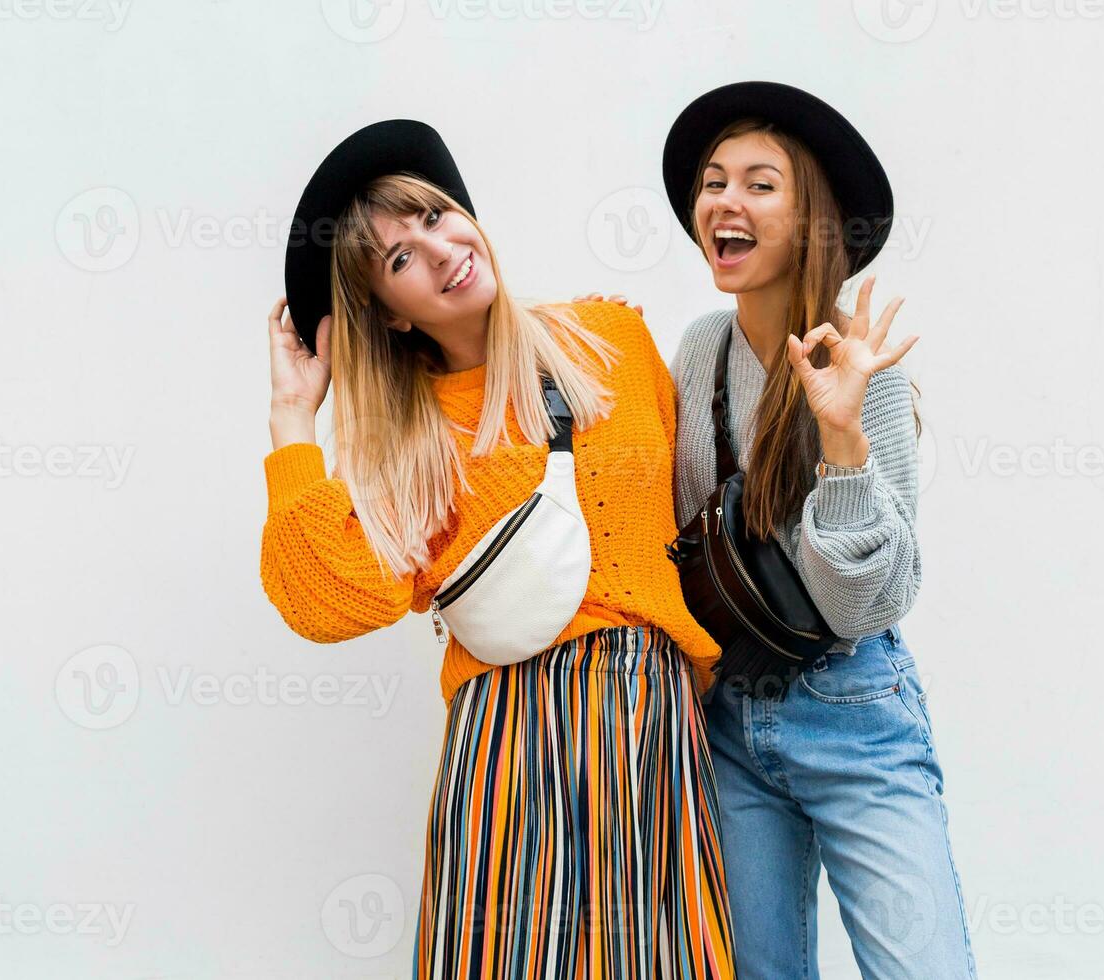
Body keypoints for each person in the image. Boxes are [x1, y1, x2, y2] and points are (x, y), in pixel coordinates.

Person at [259, 119, 735, 978]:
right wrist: (294, 420)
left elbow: (689, 518)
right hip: (506, 737)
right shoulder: (409, 440)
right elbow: (326, 601)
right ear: (389, 317)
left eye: (438, 217)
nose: (439, 250)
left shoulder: (609, 342)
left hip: (650, 718)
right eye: (400, 258)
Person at [662, 82, 979, 979]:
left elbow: (861, 601)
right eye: (715, 182)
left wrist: (841, 442)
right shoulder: (699, 353)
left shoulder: (861, 370)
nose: (725, 200)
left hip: (854, 711)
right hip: (726, 718)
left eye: (761, 185)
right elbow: (683, 541)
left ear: (811, 220)